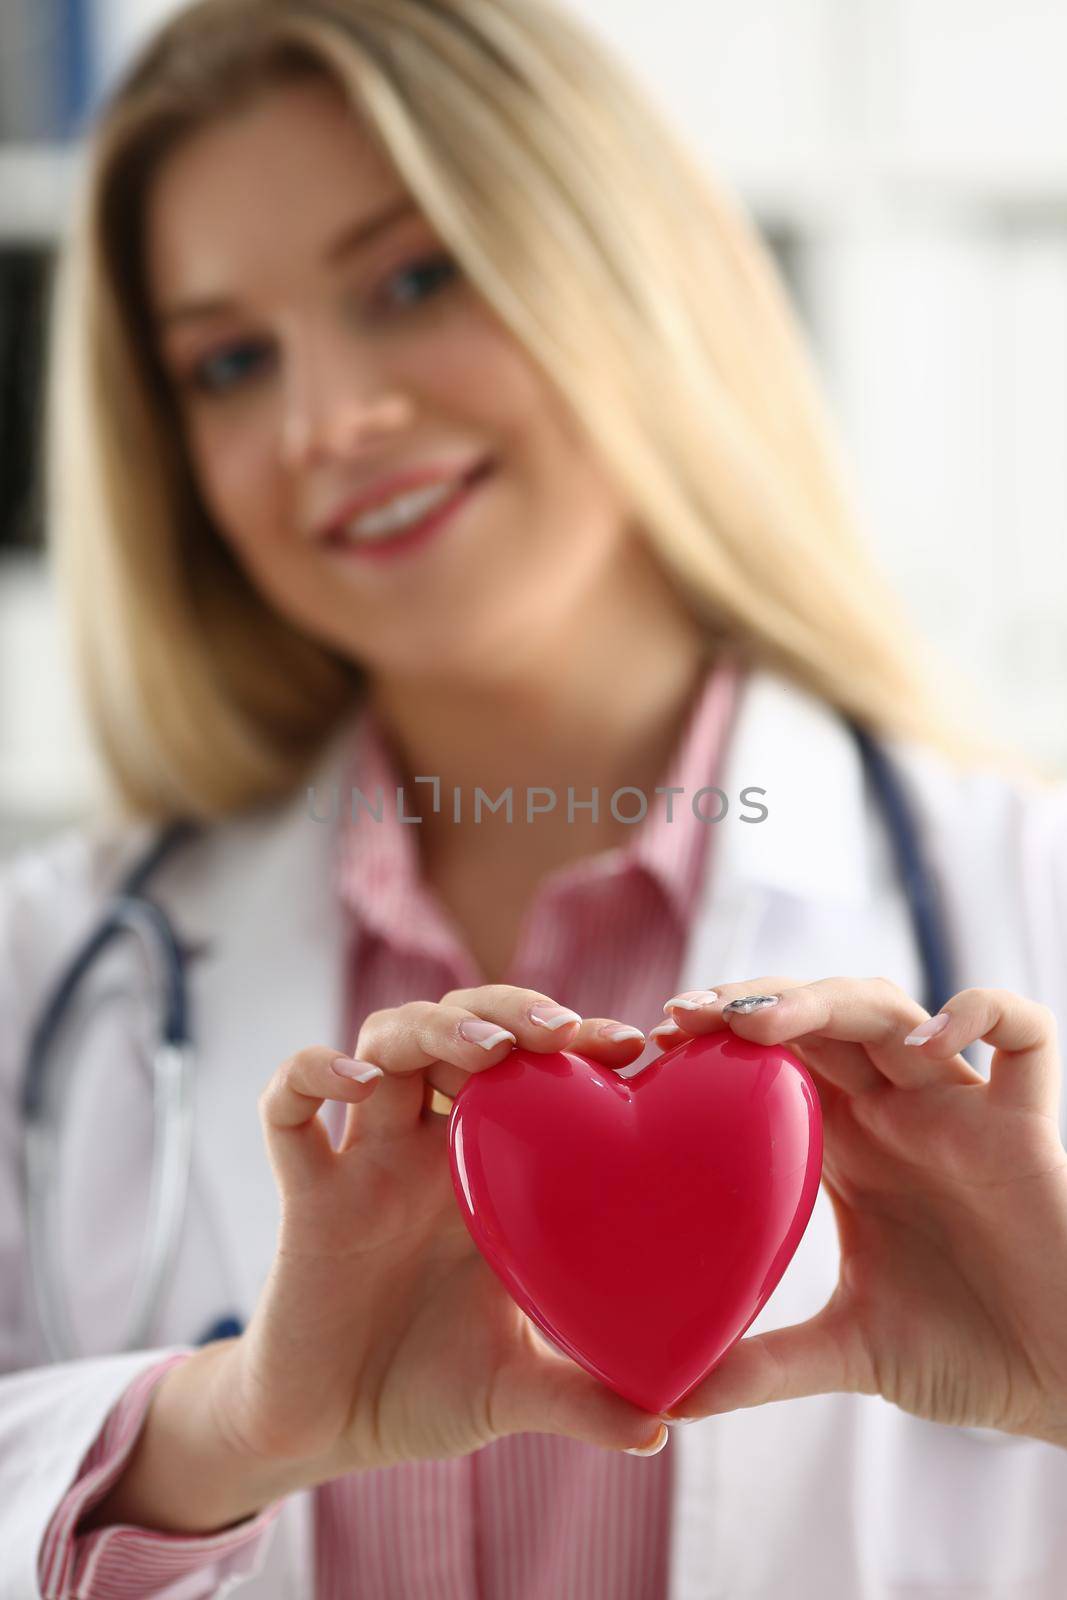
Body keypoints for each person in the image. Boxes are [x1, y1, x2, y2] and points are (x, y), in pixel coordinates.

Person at [3, 0, 1067, 1595]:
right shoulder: (52, 969)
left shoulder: (1027, 899)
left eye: (412, 279)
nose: (324, 423)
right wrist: (223, 1431)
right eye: (229, 363)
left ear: (628, 278)